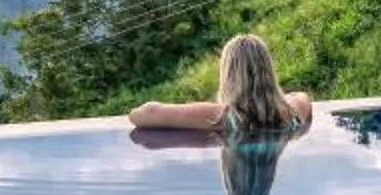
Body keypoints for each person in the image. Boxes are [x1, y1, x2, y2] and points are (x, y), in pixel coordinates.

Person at [126, 34, 315, 140]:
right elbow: (301, 96)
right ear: (267, 70)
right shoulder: (292, 112)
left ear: (228, 75)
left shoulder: (218, 117)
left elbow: (142, 115)